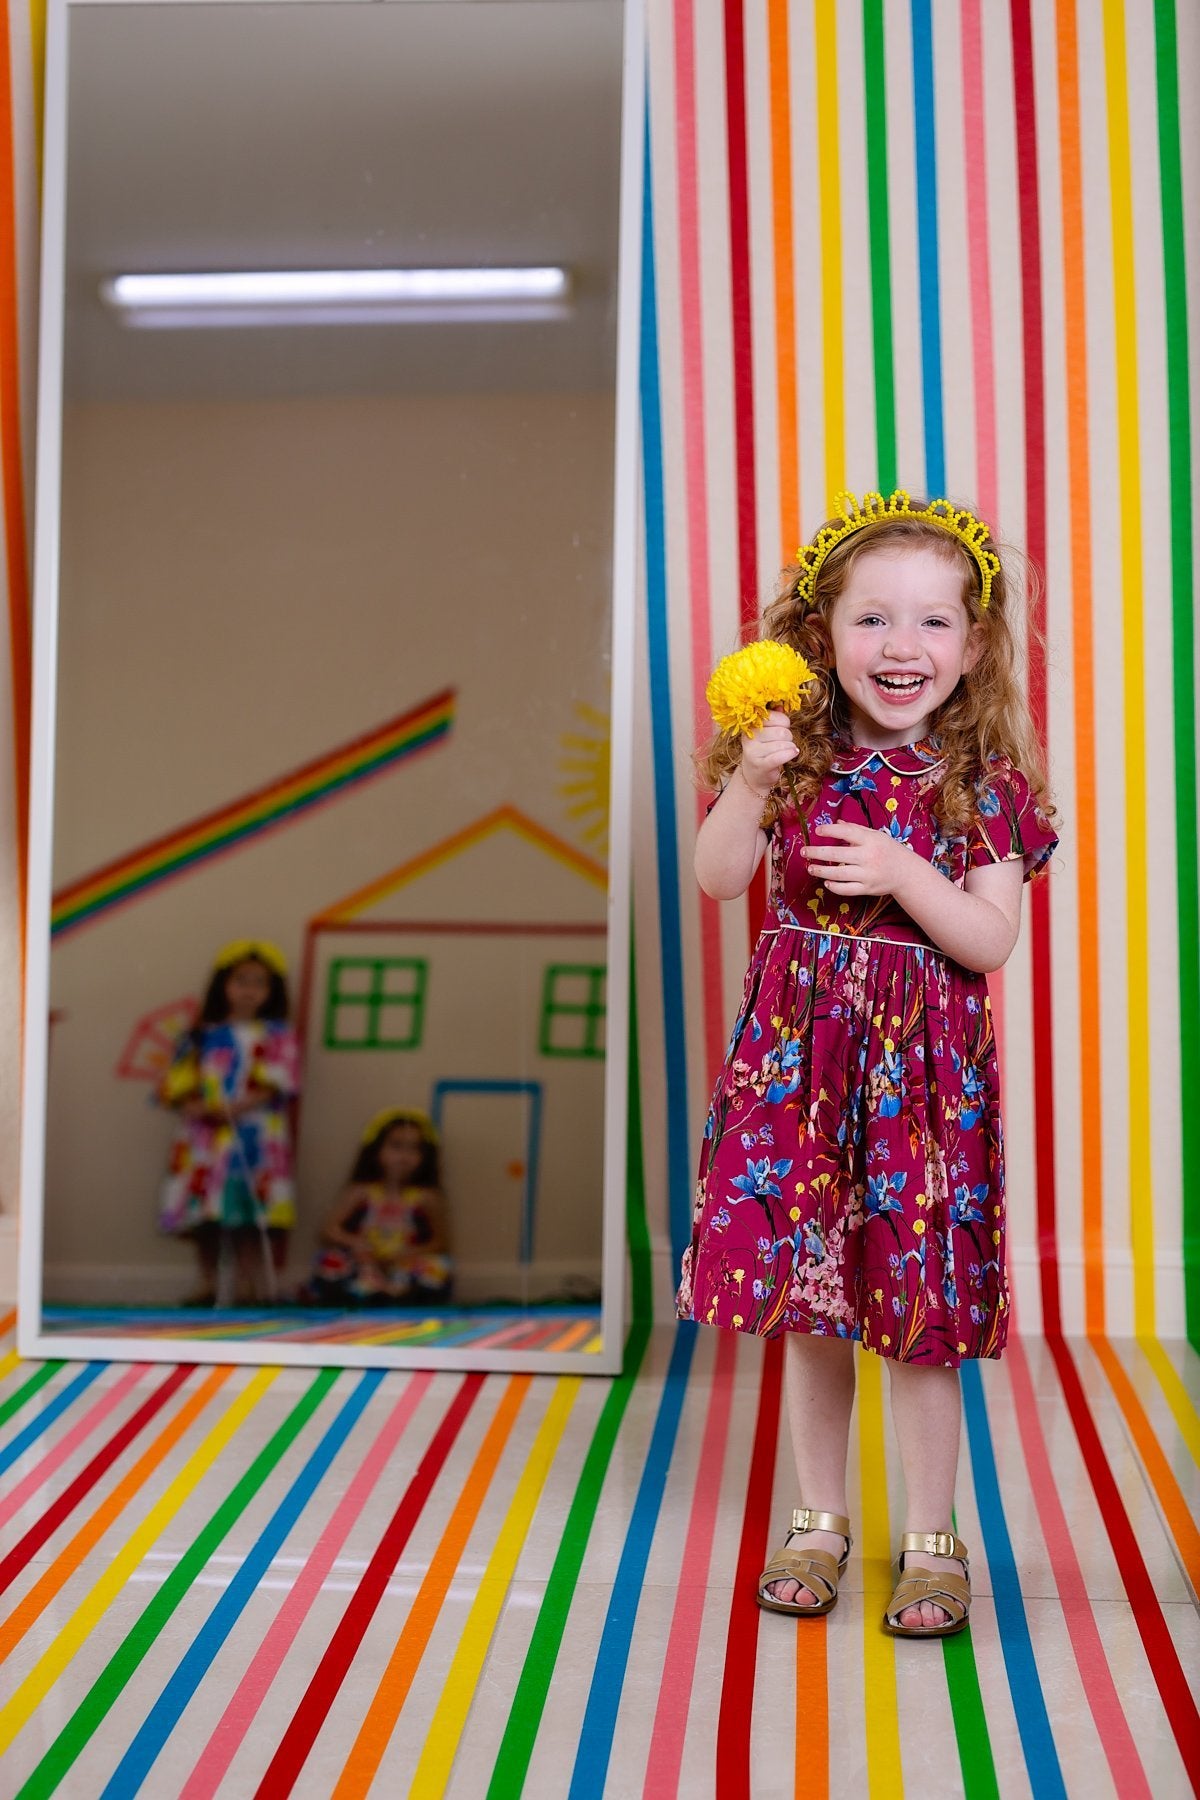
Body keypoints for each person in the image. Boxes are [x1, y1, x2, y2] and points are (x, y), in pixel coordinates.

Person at [676, 491, 1058, 1638]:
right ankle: (819, 1516)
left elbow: (988, 940)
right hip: (799, 1067)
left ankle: (934, 1536)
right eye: (873, 622)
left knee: (918, 1309)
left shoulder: (982, 786)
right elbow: (715, 876)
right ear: (820, 636)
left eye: (934, 624)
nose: (903, 649)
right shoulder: (794, 763)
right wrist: (747, 781)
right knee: (813, 1302)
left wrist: (903, 867)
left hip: (922, 1086)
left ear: (975, 644)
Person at [157, 939, 301, 1305]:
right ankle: (206, 1283)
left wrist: (240, 1106)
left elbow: (280, 1081)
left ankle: (251, 1286)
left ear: (272, 991)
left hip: (255, 1137)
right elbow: (177, 1083)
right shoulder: (200, 1034)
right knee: (208, 1215)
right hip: (206, 1139)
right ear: (223, 984)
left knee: (251, 1215)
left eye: (260, 983)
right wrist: (197, 1106)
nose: (250, 990)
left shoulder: (278, 1035)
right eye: (242, 980)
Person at [303, 1108, 453, 1307]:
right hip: (364, 1261)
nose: (404, 1156)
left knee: (438, 1267)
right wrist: (357, 1245)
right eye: (396, 1146)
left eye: (414, 1149)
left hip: (404, 1264)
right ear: (376, 1149)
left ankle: (401, 1297)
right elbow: (329, 1230)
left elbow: (440, 1242)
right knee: (330, 1261)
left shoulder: (427, 1197)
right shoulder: (361, 1191)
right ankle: (366, 1294)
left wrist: (410, 1253)